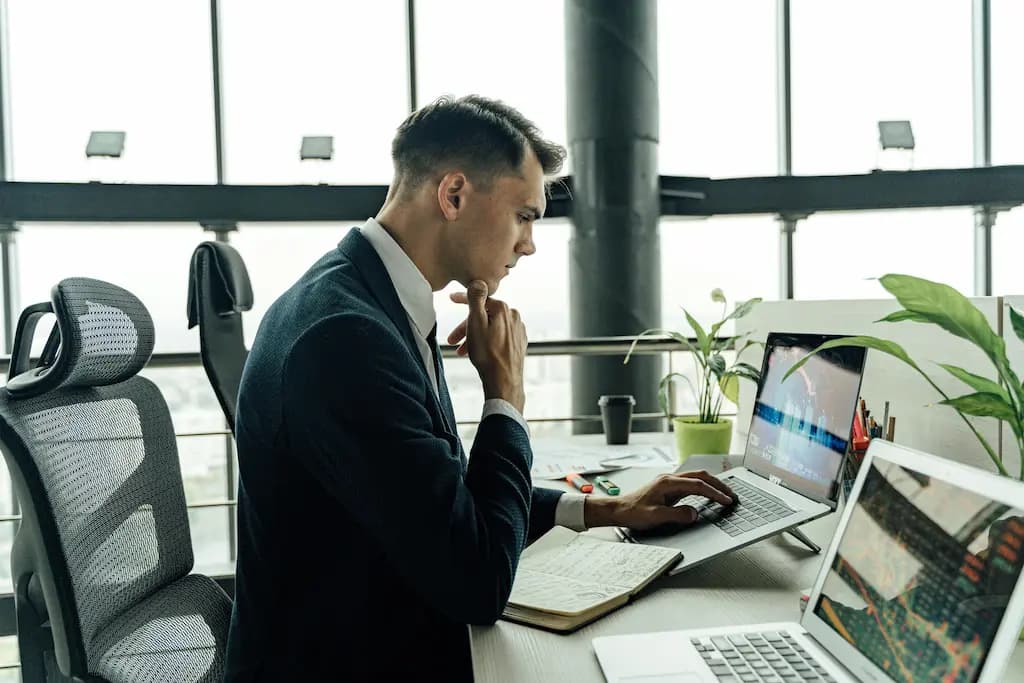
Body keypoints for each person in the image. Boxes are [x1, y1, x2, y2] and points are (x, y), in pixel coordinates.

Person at [224, 95, 735, 681]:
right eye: (524, 215)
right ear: (454, 195)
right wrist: (505, 397)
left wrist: (607, 508)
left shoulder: (371, 300)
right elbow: (477, 581)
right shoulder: (346, 339)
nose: (529, 244)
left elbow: (441, 502)